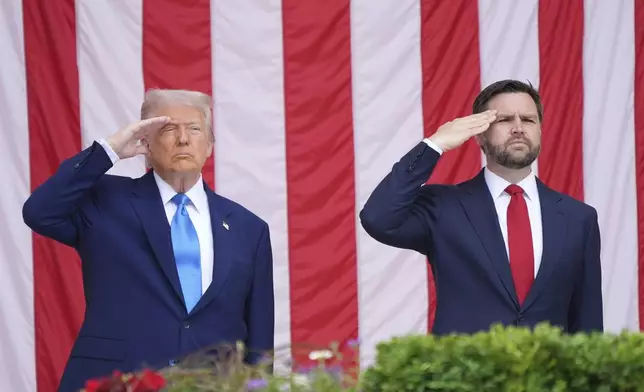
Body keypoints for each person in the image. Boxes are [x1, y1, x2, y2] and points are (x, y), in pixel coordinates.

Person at [22, 89, 275, 391]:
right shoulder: (104, 200)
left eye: (194, 129)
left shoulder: (249, 228)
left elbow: (259, 346)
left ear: (209, 145)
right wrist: (109, 150)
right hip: (117, 383)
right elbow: (40, 212)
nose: (183, 139)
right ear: (145, 143)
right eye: (168, 128)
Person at [360, 79, 603, 335]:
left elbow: (587, 324)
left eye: (529, 120)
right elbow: (378, 218)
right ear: (479, 135)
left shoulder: (579, 218)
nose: (518, 128)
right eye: (505, 120)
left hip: (548, 373)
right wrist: (434, 145)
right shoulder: (444, 207)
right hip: (463, 371)